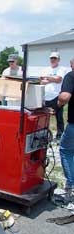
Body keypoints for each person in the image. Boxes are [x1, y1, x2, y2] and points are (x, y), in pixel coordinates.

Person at [40, 52, 67, 140]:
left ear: (58, 60)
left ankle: (60, 136)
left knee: (58, 117)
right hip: (45, 96)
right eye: (51, 58)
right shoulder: (45, 69)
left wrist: (47, 78)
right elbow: (41, 80)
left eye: (55, 58)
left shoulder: (61, 69)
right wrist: (52, 79)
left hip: (56, 96)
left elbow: (59, 79)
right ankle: (44, 134)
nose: (53, 60)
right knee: (44, 116)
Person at [58, 57, 74, 199]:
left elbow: (64, 96)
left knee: (66, 150)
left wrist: (58, 103)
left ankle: (70, 186)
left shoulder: (71, 75)